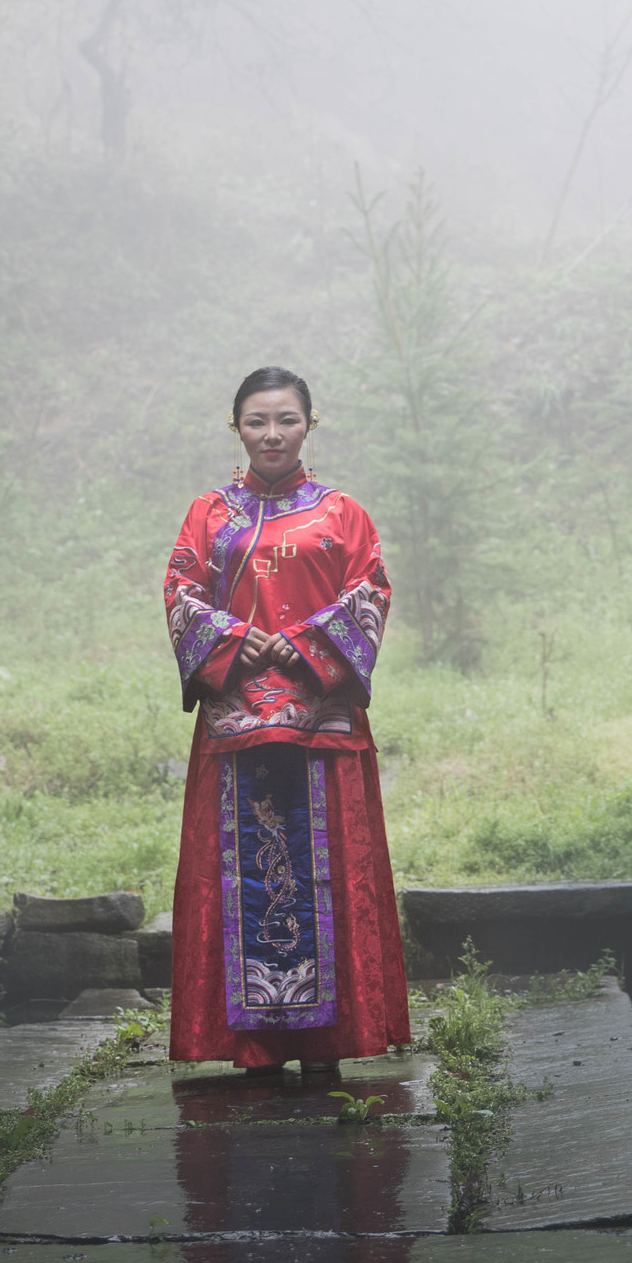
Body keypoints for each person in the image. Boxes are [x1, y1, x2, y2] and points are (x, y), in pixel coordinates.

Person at [164, 365, 410, 1073]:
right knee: (241, 878)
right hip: (237, 724)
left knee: (332, 877)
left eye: (286, 420)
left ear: (310, 423)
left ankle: (331, 1045)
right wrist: (242, 641)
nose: (272, 434)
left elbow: (372, 589)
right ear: (236, 426)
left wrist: (300, 644)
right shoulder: (208, 513)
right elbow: (181, 587)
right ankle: (256, 1049)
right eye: (256, 421)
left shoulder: (343, 514)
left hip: (321, 726)